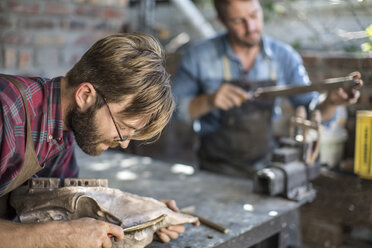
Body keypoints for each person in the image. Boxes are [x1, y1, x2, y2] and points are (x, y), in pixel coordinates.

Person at [0, 33, 195, 248]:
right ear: (85, 95)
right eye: (123, 127)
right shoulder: (6, 111)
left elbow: (58, 202)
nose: (123, 143)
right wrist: (54, 236)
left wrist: (137, 215)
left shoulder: (62, 132)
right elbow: (58, 230)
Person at [172, 0, 362, 178]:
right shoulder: (198, 56)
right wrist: (209, 100)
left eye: (254, 15)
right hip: (211, 171)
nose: (251, 27)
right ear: (222, 21)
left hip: (265, 170)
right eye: (239, 21)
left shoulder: (284, 57)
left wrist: (330, 102)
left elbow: (313, 111)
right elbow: (172, 110)